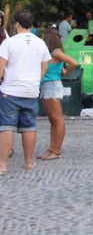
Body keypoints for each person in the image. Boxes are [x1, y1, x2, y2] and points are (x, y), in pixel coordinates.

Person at [0, 9, 51, 174]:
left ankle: (2, 165)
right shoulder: (40, 43)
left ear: (16, 23)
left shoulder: (9, 43)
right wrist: (36, 80)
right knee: (29, 127)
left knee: (7, 127)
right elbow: (45, 66)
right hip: (31, 91)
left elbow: (1, 67)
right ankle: (29, 162)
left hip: (10, 90)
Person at [37, 28, 79, 161]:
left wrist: (65, 73)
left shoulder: (56, 52)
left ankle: (56, 150)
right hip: (46, 86)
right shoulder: (49, 53)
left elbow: (74, 62)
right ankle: (51, 148)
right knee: (53, 121)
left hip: (52, 86)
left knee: (57, 120)